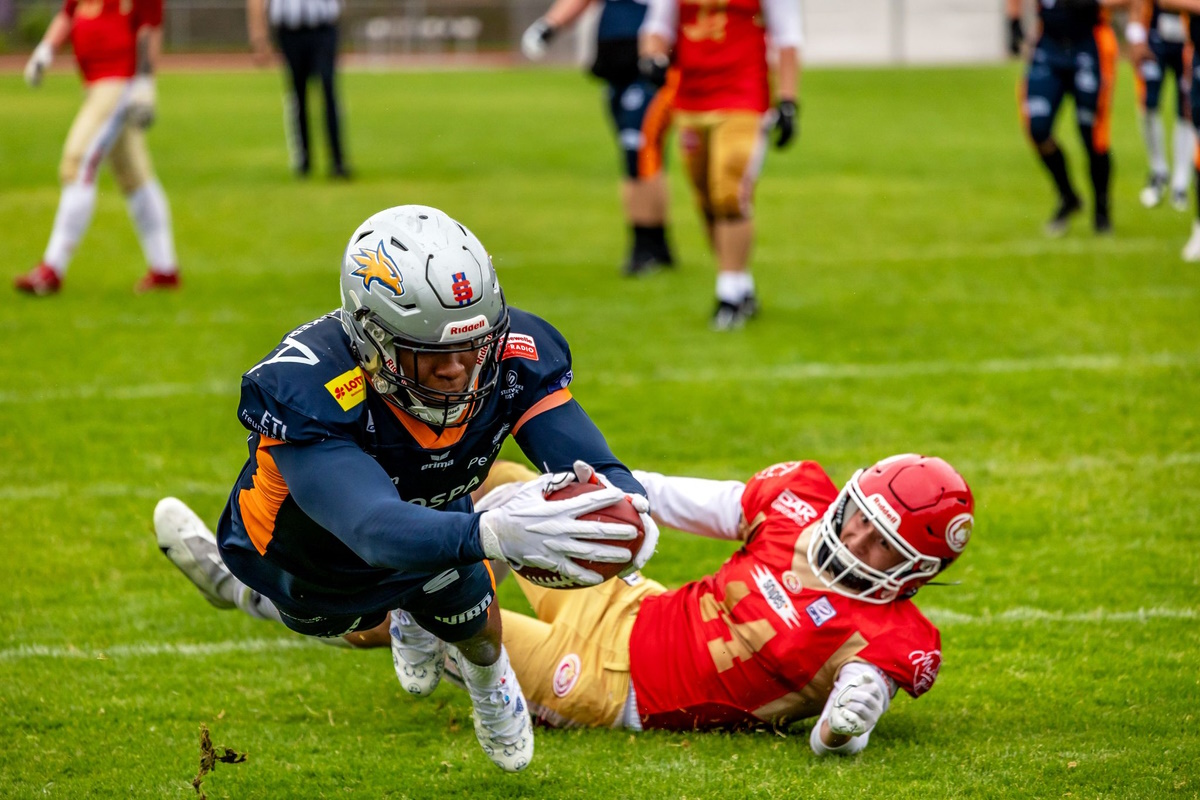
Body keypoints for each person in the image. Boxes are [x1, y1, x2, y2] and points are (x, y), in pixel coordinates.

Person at [153, 204, 658, 773]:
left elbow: (597, 464)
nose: (460, 370)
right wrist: (494, 530)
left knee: (473, 620)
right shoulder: (312, 384)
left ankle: (491, 684)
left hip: (437, 509)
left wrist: (630, 511)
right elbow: (371, 527)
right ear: (373, 343)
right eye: (433, 353)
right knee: (356, 625)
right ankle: (231, 585)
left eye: (473, 345)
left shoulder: (509, 355)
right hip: (311, 552)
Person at [175, 452, 974, 755]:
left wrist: (852, 717)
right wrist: (598, 491)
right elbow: (673, 498)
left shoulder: (886, 638)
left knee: (434, 613)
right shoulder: (800, 502)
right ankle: (364, 515)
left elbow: (837, 734)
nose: (858, 546)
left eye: (881, 546)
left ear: (915, 570)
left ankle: (254, 592)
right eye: (860, 524)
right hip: (631, 605)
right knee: (513, 480)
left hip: (609, 685)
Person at [638, 0, 802, 330]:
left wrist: (788, 100)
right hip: (692, 98)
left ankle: (729, 292)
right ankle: (741, 286)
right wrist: (652, 58)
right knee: (706, 198)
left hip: (744, 96)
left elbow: (787, 35)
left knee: (728, 190)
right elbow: (656, 28)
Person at [15, 0, 180, 296]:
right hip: (96, 83)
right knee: (135, 176)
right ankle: (165, 269)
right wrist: (46, 49)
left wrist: (145, 79)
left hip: (118, 82)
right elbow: (69, 14)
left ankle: (52, 269)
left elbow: (149, 29)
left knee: (77, 163)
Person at [521, 0, 676, 276]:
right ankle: (657, 245)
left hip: (649, 63)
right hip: (618, 65)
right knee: (642, 155)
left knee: (638, 151)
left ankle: (645, 246)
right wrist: (550, 25)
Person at [1007, 0, 1127, 237]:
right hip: (1049, 47)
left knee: (1092, 135)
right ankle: (1068, 195)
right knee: (1037, 129)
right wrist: (1013, 22)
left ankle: (1102, 210)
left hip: (1089, 45)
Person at [247, 0, 350, 179]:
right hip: (290, 32)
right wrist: (259, 37)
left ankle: (337, 160)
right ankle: (303, 159)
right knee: (298, 94)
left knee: (328, 88)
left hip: (323, 29)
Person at [1126, 1, 1193, 210]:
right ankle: (1158, 170)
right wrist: (1136, 37)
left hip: (1189, 40)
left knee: (1188, 109)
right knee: (1148, 103)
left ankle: (1181, 182)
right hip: (1156, 35)